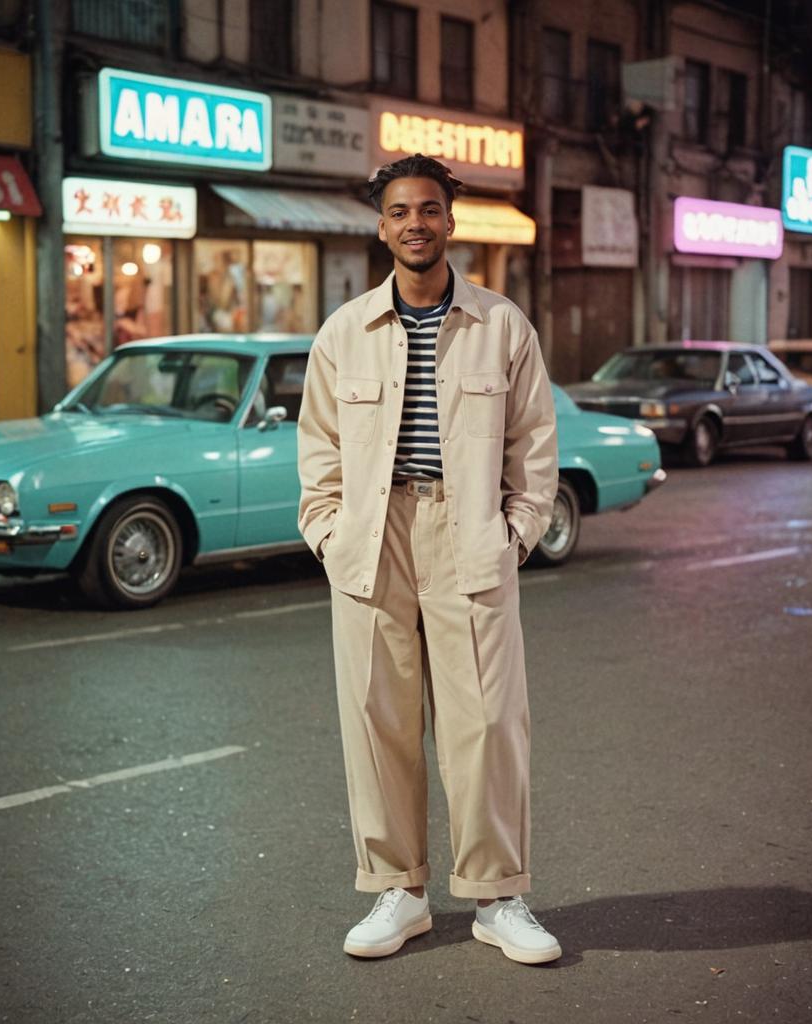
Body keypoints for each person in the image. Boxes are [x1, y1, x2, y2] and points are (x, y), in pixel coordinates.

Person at [297, 154, 561, 965]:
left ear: (451, 222)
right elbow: (319, 450)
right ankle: (399, 891)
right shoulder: (343, 333)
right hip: (371, 540)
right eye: (401, 211)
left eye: (431, 210)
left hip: (468, 532)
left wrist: (514, 533)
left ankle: (498, 896)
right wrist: (329, 532)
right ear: (381, 227)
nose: (416, 223)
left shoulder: (501, 325)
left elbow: (536, 446)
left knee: (486, 723)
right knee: (377, 720)